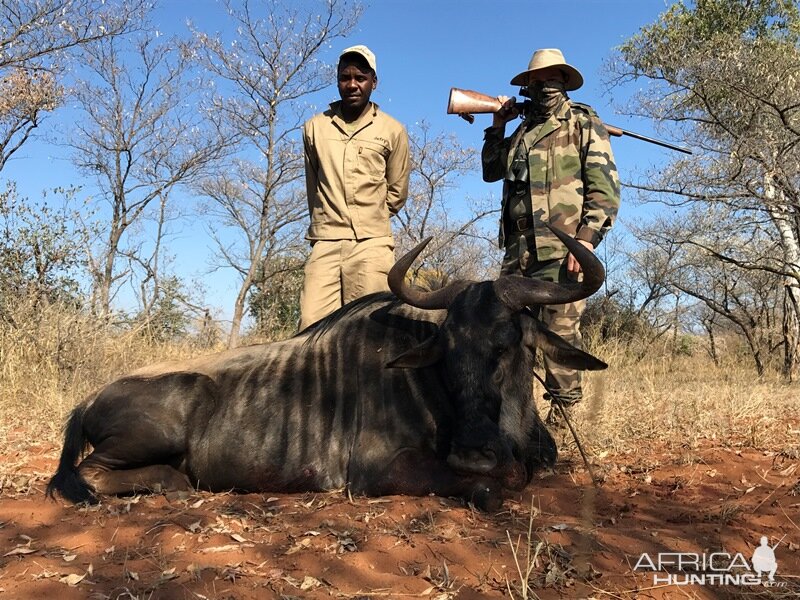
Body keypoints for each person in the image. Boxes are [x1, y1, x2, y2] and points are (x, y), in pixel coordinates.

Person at [481, 48, 620, 422]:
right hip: (518, 254)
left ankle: (563, 416)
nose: (546, 87)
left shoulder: (583, 123)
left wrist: (587, 240)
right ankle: (517, 416)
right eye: (538, 80)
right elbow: (491, 171)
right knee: (511, 336)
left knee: (559, 334)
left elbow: (604, 190)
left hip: (564, 251)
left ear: (564, 82)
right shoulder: (521, 130)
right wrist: (497, 125)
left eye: (553, 79)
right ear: (528, 85)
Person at [299, 45, 410, 330]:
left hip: (372, 245)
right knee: (310, 332)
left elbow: (397, 192)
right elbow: (314, 187)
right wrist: (329, 221)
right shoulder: (314, 128)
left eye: (360, 77)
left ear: (374, 81)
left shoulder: (392, 130)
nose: (352, 85)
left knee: (371, 334)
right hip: (325, 242)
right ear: (337, 80)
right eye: (344, 77)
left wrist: (370, 219)